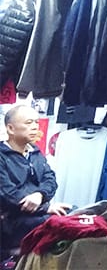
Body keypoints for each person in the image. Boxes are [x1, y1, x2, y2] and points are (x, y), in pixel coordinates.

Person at [0, 105, 68, 252]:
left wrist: (40, 195)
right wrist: (46, 207)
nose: (34, 127)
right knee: (59, 224)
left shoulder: (35, 152)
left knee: (76, 215)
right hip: (12, 220)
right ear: (11, 129)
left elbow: (50, 179)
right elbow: (7, 194)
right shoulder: (2, 156)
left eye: (36, 122)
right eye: (28, 122)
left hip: (38, 213)